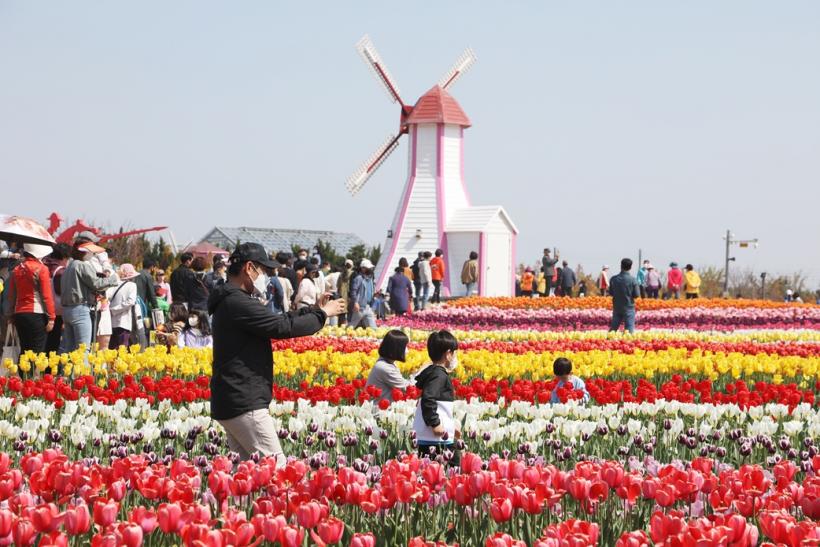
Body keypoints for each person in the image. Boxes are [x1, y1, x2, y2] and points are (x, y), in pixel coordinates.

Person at [208, 242, 344, 464]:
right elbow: (281, 327)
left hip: (233, 398)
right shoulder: (237, 302)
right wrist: (322, 315)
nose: (265, 277)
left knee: (247, 474)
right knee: (277, 470)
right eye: (263, 270)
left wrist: (313, 310)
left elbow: (278, 319)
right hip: (244, 399)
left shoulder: (230, 298)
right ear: (249, 268)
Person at [60, 241, 119, 352]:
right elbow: (97, 284)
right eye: (90, 252)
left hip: (67, 309)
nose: (92, 254)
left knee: (70, 349)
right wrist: (113, 278)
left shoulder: (69, 266)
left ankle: (67, 364)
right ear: (84, 252)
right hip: (80, 309)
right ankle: (83, 365)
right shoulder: (82, 265)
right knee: (83, 349)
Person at [413, 330, 460, 465]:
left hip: (431, 435)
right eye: (454, 353)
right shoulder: (439, 375)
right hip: (436, 438)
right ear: (448, 354)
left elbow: (439, 406)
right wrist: (435, 424)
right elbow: (428, 398)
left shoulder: (432, 372)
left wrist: (451, 427)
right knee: (452, 467)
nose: (455, 357)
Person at [3, 243, 56, 355]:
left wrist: (10, 315)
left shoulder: (16, 269)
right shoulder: (42, 269)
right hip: (36, 313)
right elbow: (47, 296)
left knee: (24, 349)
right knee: (37, 350)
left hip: (19, 313)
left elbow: (11, 295)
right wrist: (51, 317)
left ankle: (23, 367)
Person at [365, 330, 412, 407]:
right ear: (396, 348)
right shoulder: (385, 368)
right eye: (405, 346)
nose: (407, 350)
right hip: (380, 411)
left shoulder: (386, 363)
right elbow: (407, 388)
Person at [43, 243, 71, 354]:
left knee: (46, 343)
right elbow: (60, 292)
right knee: (53, 345)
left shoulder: (46, 266)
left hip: (44, 310)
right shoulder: (60, 271)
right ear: (65, 257)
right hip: (57, 313)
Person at [107, 263, 140, 349]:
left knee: (112, 350)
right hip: (124, 322)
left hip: (111, 322)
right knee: (122, 350)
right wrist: (115, 310)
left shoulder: (114, 284)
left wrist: (111, 310)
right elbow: (131, 301)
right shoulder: (132, 285)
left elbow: (107, 297)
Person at [608, 258, 640, 334]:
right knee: (629, 332)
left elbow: (611, 293)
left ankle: (609, 340)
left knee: (613, 330)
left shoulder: (613, 279)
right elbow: (637, 295)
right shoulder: (633, 280)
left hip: (617, 307)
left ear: (621, 266)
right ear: (630, 267)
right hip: (629, 307)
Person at [349, 259, 377, 328]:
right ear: (363, 269)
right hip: (360, 307)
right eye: (368, 268)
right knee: (352, 325)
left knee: (373, 327)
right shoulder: (359, 278)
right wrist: (355, 302)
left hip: (368, 306)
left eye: (371, 268)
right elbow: (353, 291)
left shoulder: (371, 279)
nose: (370, 269)